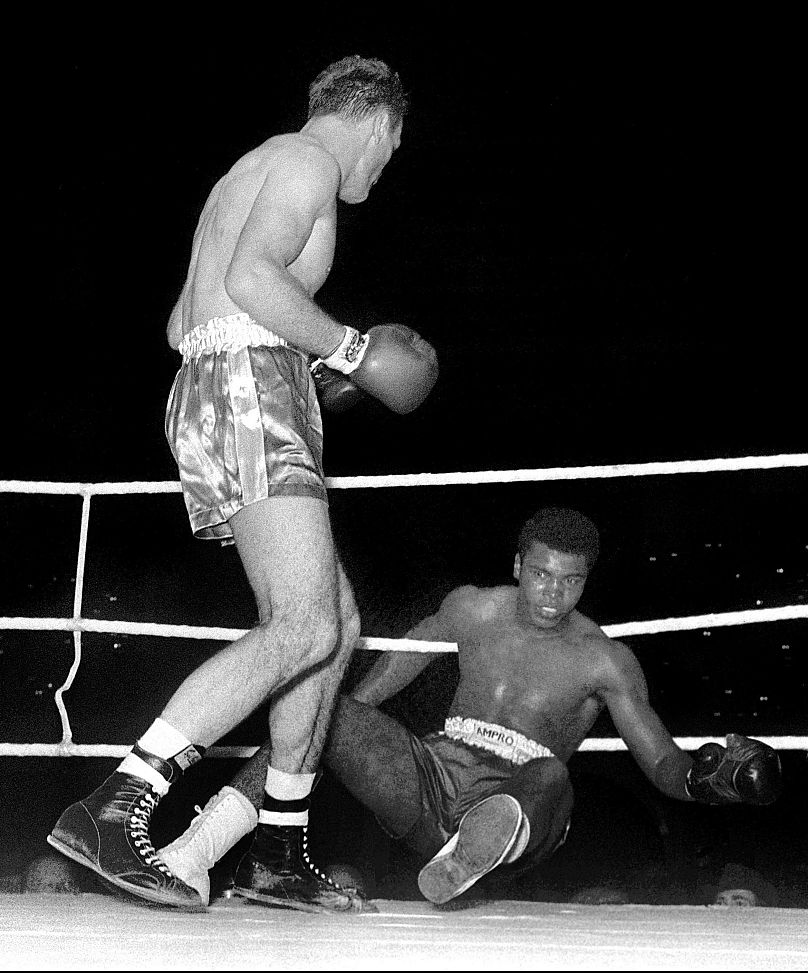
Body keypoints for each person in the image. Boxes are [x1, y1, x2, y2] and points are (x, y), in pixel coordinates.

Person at [47, 55, 438, 913]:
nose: (381, 171)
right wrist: (347, 352)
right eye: (391, 152)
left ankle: (277, 846)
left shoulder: (249, 170)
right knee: (302, 623)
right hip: (250, 389)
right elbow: (250, 281)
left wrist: (292, 363)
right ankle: (115, 807)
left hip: (233, 383)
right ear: (384, 125)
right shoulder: (306, 162)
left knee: (334, 629)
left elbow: (184, 319)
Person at [154, 507, 783, 906]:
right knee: (321, 708)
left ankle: (480, 851)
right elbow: (374, 688)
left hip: (524, 805)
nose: (553, 593)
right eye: (541, 574)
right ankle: (203, 845)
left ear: (587, 581)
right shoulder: (468, 610)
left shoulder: (605, 660)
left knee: (552, 774)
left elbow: (662, 764)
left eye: (571, 580)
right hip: (432, 783)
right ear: (517, 564)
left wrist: (708, 777)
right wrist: (337, 722)